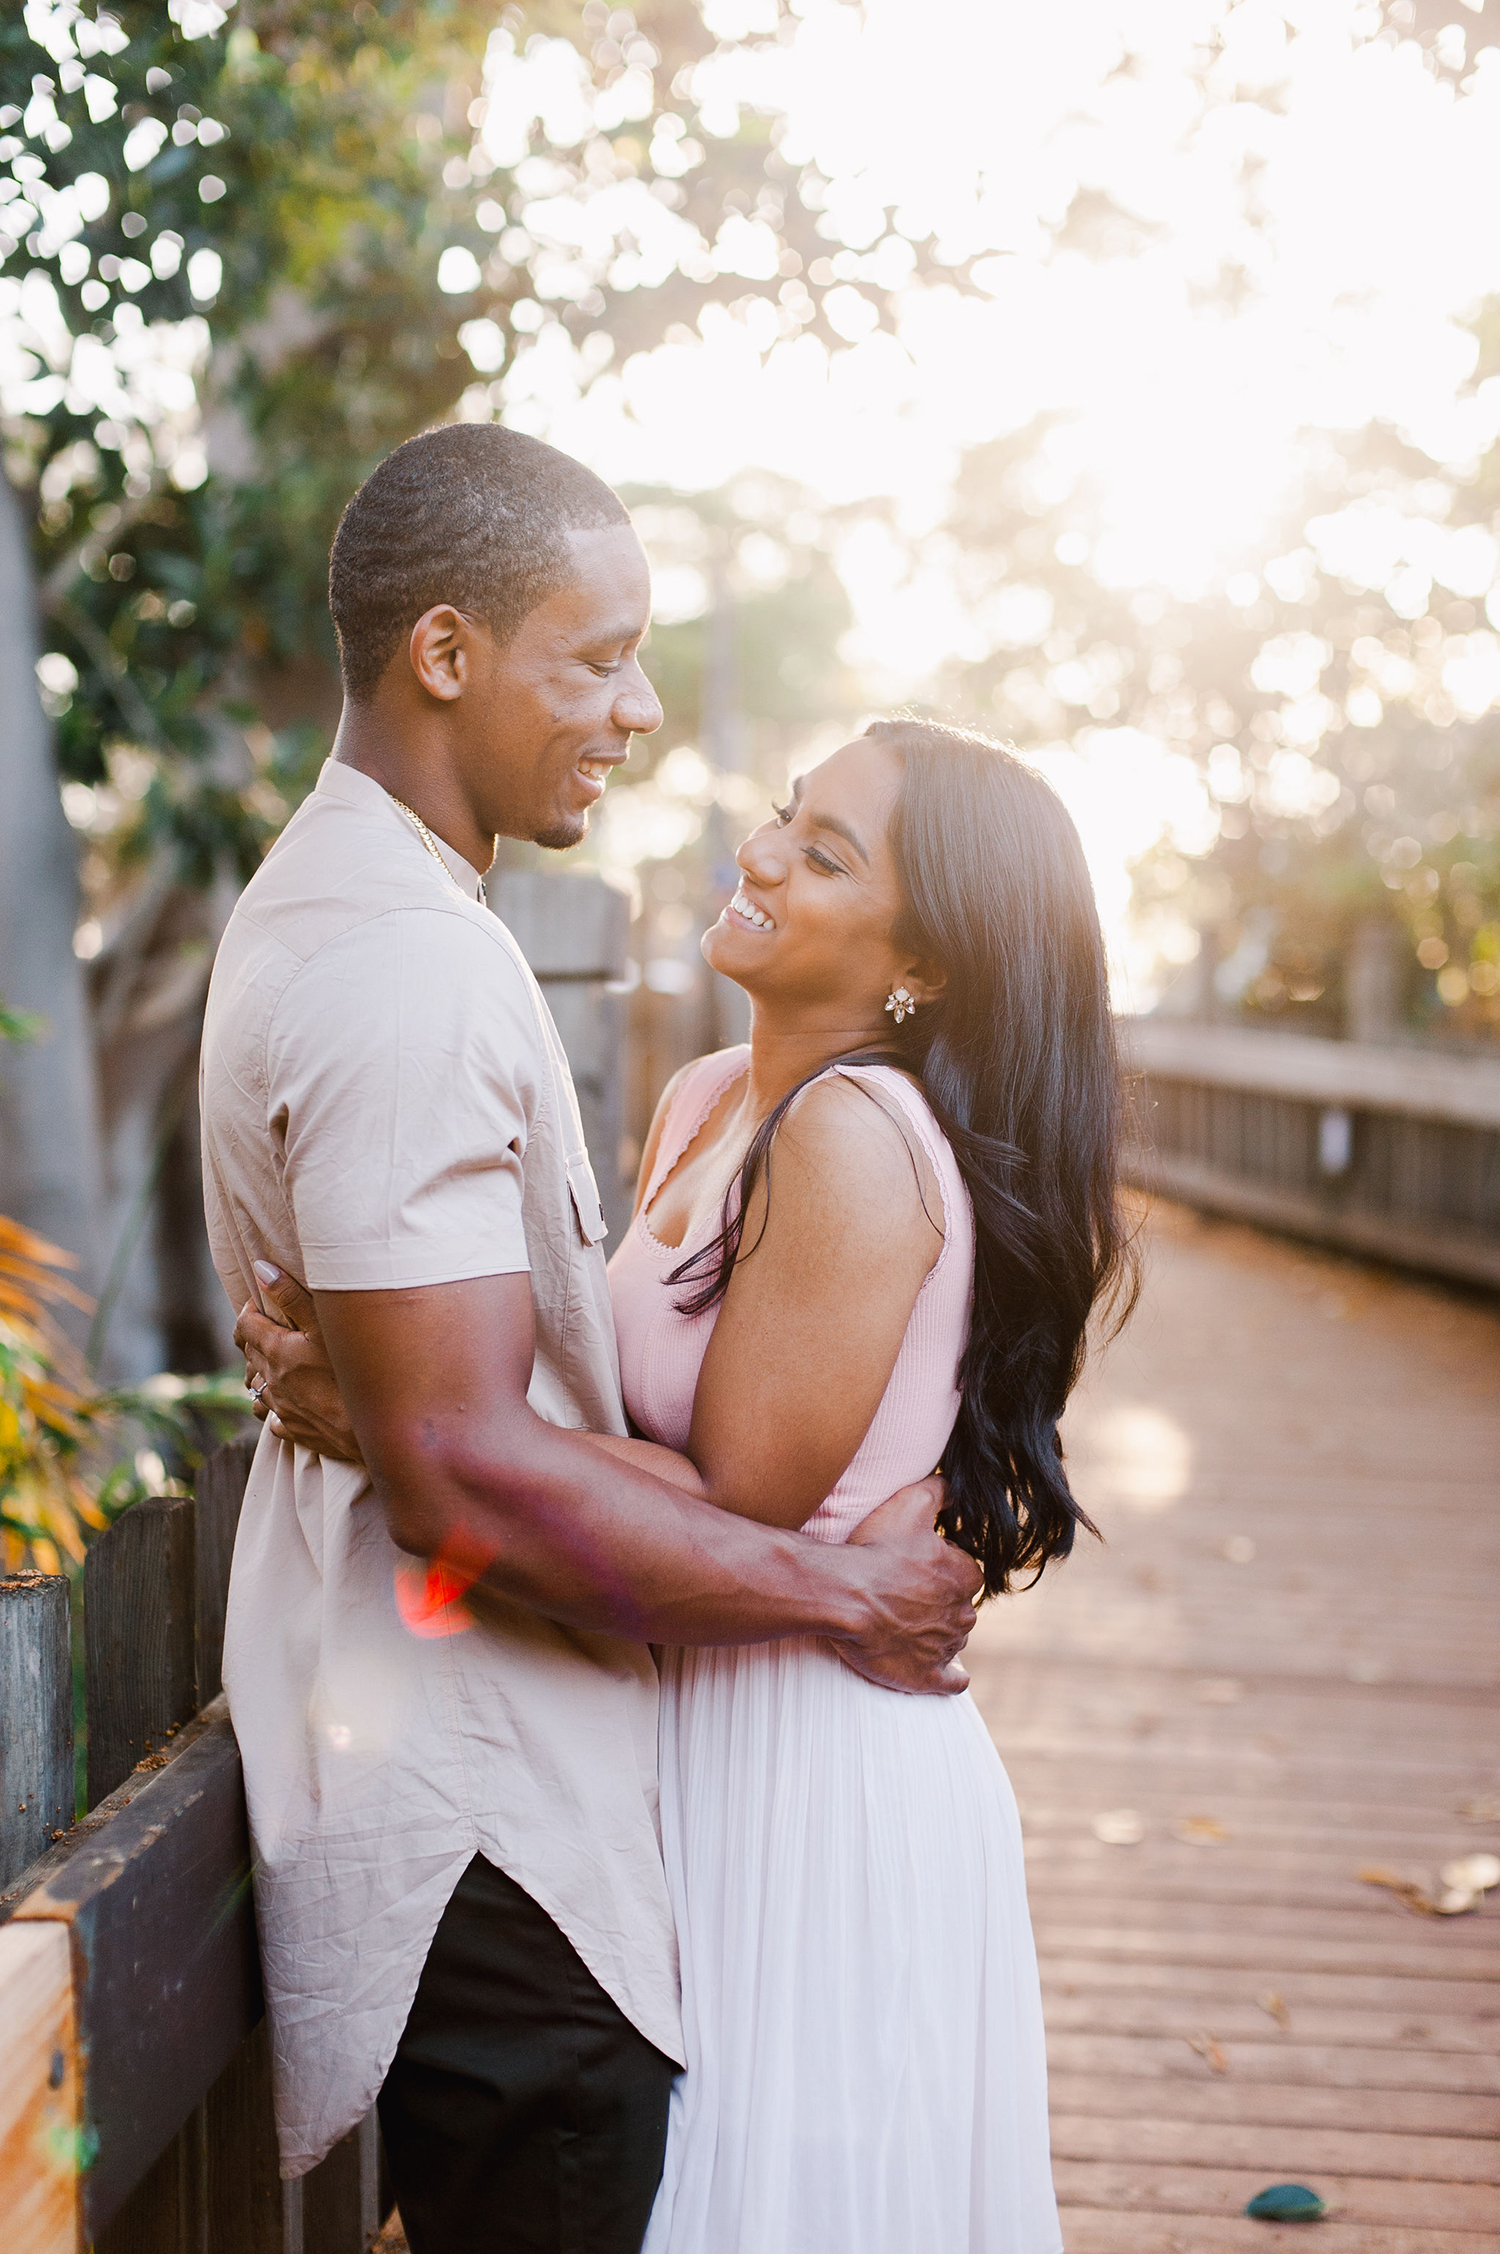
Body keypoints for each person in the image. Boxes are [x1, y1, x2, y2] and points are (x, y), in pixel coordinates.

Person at [202, 422, 980, 2254]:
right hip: (483, 1793)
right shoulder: (405, 964)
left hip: (533, 1748)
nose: (636, 712)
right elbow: (464, 1465)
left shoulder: (384, 914)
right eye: (597, 653)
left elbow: (477, 1416)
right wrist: (846, 1593)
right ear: (447, 654)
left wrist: (389, 1407)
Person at [244, 712, 1137, 2245]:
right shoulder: (712, 1096)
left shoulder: (855, 1137)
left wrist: (401, 1416)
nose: (762, 845)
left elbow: (731, 1502)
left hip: (804, 1752)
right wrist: (403, 1386)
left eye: (827, 848)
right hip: (680, 1712)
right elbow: (599, 1405)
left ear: (920, 963)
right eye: (790, 807)